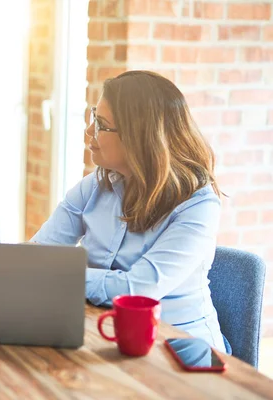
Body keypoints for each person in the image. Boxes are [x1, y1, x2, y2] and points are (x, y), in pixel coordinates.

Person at [31, 71, 226, 352]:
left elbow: (137, 290)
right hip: (104, 335)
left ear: (139, 135)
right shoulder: (94, 186)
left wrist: (59, 274)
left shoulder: (197, 205)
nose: (89, 132)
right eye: (93, 118)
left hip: (181, 348)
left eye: (100, 124)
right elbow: (37, 256)